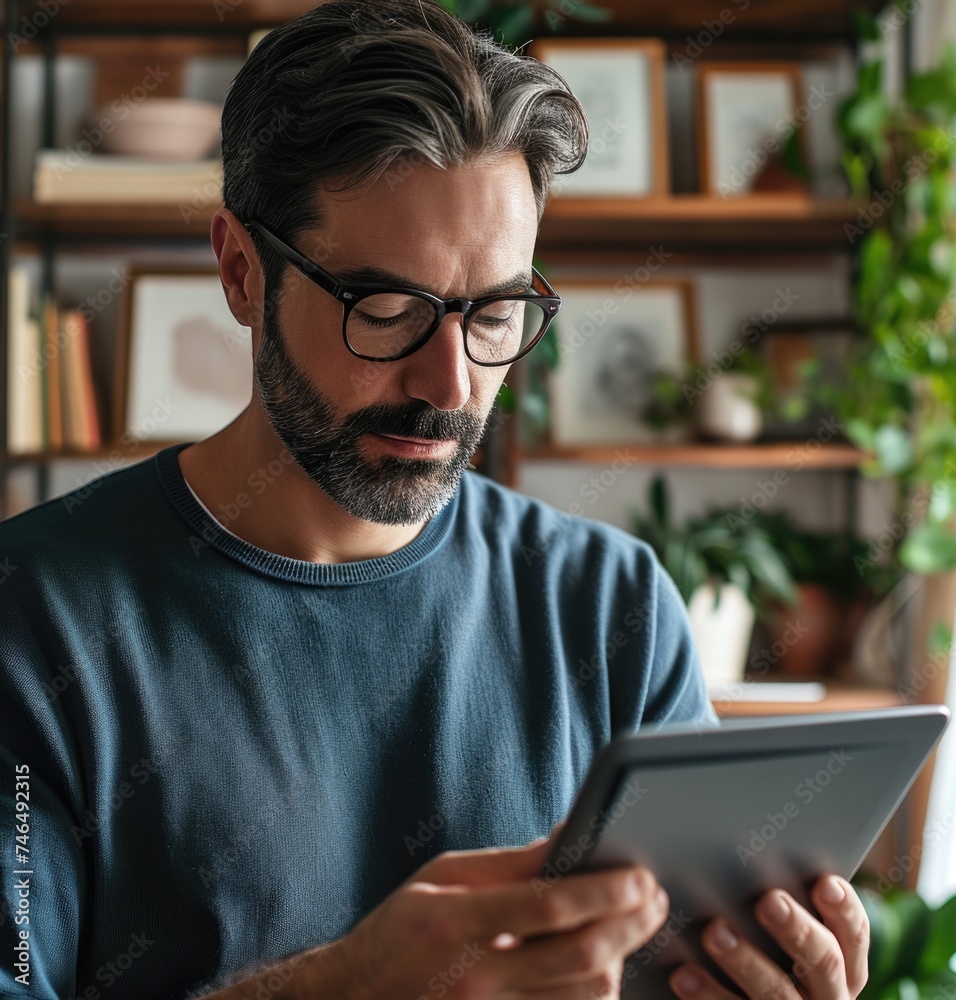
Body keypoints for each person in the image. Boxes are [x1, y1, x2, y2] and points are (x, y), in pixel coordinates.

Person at [0, 2, 870, 998]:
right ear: (242, 270)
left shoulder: (608, 603)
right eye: (389, 309)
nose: (451, 384)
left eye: (494, 312)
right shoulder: (31, 615)